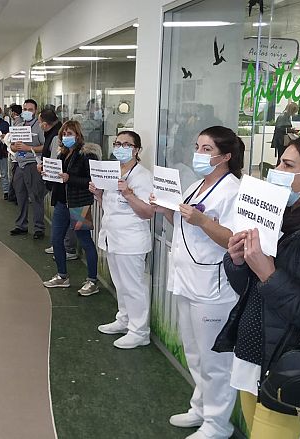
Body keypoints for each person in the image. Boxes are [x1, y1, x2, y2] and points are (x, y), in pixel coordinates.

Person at [214, 136, 300, 439]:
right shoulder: (280, 220)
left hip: (288, 367)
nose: (276, 171)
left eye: (288, 165)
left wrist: (269, 273)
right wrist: (238, 261)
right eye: (279, 162)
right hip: (252, 355)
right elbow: (250, 290)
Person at [151, 126, 244, 439]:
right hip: (186, 279)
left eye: (207, 149)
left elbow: (234, 240)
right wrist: (165, 210)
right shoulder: (195, 185)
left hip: (213, 287)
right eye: (197, 147)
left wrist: (203, 221)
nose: (199, 154)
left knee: (214, 360)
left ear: (226, 156)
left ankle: (218, 424)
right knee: (193, 351)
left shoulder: (233, 191)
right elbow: (182, 225)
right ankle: (201, 408)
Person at [90, 131, 155, 348]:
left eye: (127, 145)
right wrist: (98, 194)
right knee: (120, 284)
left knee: (133, 287)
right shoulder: (112, 172)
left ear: (137, 150)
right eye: (118, 144)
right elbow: (110, 206)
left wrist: (128, 194)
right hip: (113, 237)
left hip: (131, 240)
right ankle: (124, 319)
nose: (120, 148)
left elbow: (147, 212)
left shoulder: (143, 176)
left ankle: (139, 331)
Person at [40, 121, 97, 293]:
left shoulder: (86, 155)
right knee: (56, 239)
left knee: (85, 240)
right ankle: (62, 275)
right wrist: (47, 173)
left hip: (79, 204)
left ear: (78, 135)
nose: (66, 137)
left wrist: (69, 178)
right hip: (61, 204)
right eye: (64, 134)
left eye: (69, 134)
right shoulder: (62, 154)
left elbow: (91, 181)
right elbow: (58, 179)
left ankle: (92, 280)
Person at [10, 99, 47, 239]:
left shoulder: (39, 127)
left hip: (33, 164)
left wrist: (29, 148)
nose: (27, 112)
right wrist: (15, 147)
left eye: (30, 109)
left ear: (35, 111)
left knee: (36, 196)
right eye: (25, 109)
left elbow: (45, 146)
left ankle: (39, 228)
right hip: (20, 164)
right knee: (20, 196)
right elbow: (12, 145)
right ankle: (21, 225)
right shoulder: (19, 126)